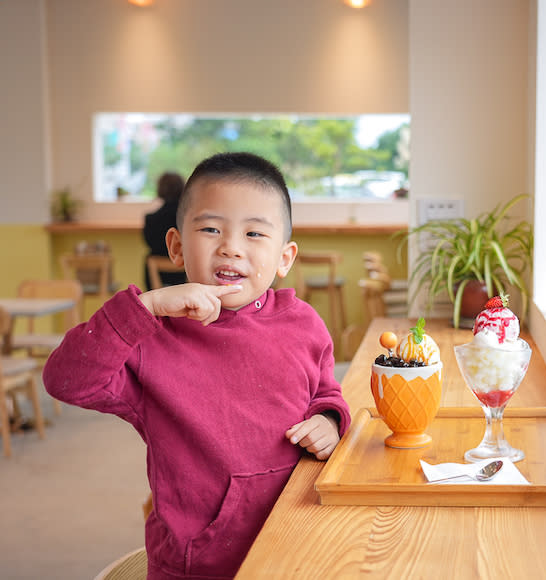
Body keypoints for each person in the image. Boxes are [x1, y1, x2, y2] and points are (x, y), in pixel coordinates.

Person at [44, 152, 351, 579]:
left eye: (255, 234)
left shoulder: (304, 324)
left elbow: (326, 393)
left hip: (296, 547)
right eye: (211, 229)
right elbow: (65, 381)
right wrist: (146, 307)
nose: (231, 247)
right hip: (196, 566)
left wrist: (330, 421)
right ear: (176, 246)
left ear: (285, 257)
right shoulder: (150, 336)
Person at [143, 171, 187, 289]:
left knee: (149, 258)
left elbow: (148, 243)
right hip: (183, 273)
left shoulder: (150, 219)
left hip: (158, 274)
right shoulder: (188, 219)